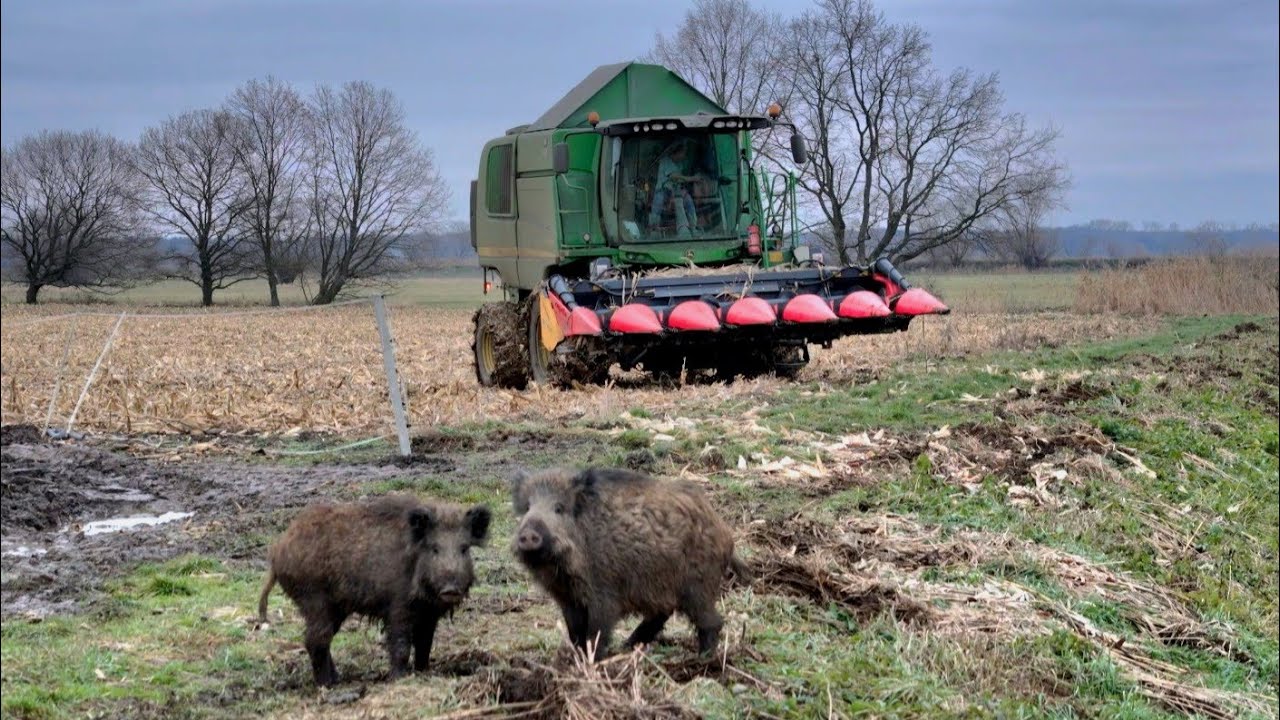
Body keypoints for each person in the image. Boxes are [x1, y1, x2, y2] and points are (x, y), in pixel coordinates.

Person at [649, 140, 702, 238]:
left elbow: (680, 180)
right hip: (664, 191)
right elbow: (674, 176)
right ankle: (654, 228)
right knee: (658, 200)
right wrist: (692, 178)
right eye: (684, 152)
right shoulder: (665, 161)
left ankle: (692, 228)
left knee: (688, 200)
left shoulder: (680, 164)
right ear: (678, 152)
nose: (685, 155)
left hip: (677, 190)